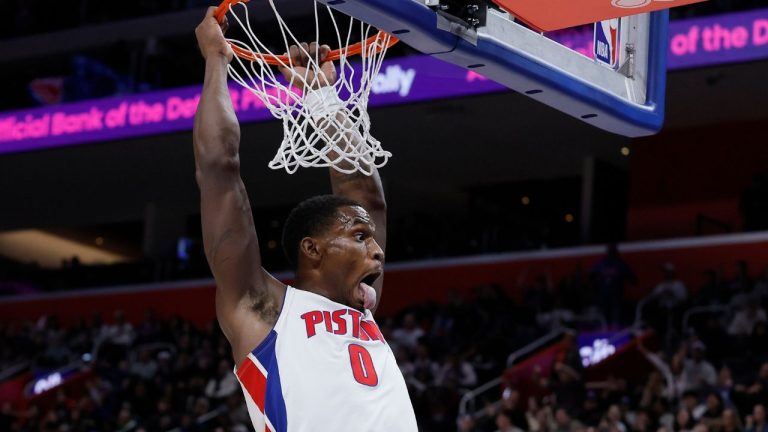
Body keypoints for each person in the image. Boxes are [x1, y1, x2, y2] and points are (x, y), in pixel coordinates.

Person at [193, 7, 417, 431]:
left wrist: (320, 97)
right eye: (360, 236)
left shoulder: (359, 304)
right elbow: (219, 169)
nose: (378, 250)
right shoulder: (261, 308)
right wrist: (216, 60)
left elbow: (368, 196)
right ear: (312, 249)